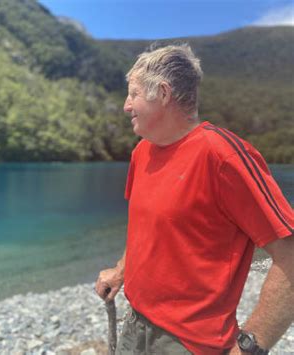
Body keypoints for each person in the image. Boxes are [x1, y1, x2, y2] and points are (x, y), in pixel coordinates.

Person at [95, 44, 293, 355]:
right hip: (135, 326)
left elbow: (290, 254)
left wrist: (251, 346)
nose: (125, 106)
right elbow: (147, 229)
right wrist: (121, 269)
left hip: (189, 345)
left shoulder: (224, 156)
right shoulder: (141, 151)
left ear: (162, 94)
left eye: (133, 94)